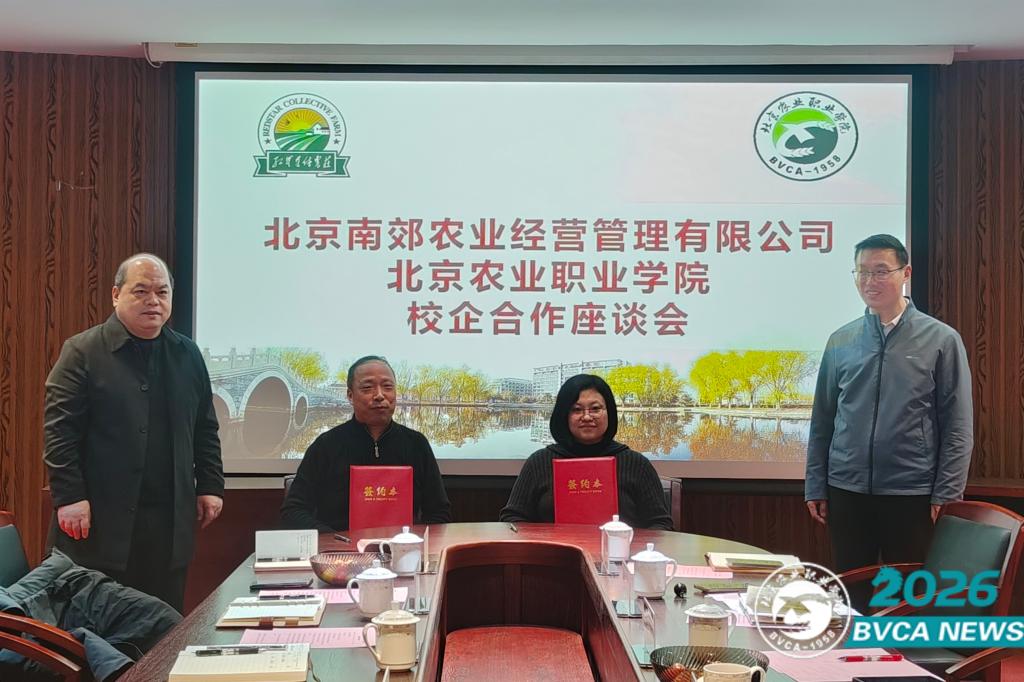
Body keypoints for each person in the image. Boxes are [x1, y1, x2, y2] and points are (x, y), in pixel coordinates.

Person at [43, 253, 224, 613]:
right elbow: (59, 431)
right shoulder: (82, 351)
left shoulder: (187, 354)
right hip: (99, 523)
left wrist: (210, 485)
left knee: (162, 626)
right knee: (94, 629)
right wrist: (69, 497)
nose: (153, 301)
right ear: (116, 295)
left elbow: (204, 426)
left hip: (167, 526)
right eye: (140, 291)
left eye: (162, 292)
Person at [805, 234, 973, 603]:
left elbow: (958, 428)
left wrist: (948, 493)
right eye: (862, 272)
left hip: (911, 494)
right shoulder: (841, 341)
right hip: (846, 492)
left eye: (881, 271)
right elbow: (823, 421)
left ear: (905, 273)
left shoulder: (941, 340)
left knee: (906, 601)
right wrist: (816, 484)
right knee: (851, 596)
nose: (870, 281)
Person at [280, 355, 452, 531]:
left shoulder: (416, 444)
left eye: (387, 387)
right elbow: (293, 511)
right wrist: (335, 540)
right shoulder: (326, 445)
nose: (379, 395)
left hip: (402, 546)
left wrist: (411, 540)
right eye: (367, 388)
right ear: (350, 396)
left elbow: (439, 513)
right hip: (339, 546)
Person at [500, 374, 672, 530]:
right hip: (555, 554)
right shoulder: (539, 462)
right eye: (577, 410)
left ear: (609, 412)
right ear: (564, 415)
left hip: (621, 554)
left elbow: (661, 524)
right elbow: (512, 518)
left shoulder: (636, 464)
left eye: (595, 409)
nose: (587, 417)